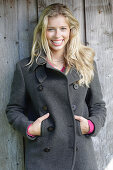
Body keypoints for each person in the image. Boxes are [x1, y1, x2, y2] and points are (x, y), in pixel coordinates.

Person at [6, 3, 106, 170]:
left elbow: (98, 106)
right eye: (51, 29)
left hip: (80, 155)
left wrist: (91, 125)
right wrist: (30, 128)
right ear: (42, 32)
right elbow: (14, 109)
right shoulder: (26, 68)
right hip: (44, 157)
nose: (57, 35)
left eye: (63, 28)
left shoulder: (86, 64)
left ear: (71, 31)